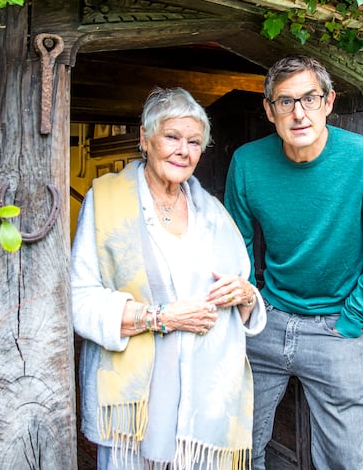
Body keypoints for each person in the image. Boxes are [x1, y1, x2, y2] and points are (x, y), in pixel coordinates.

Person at [71, 86, 266, 470]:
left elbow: (244, 291)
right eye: (172, 137)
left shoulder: (212, 211)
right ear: (145, 138)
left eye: (194, 141)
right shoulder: (106, 200)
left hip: (203, 401)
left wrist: (245, 296)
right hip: (136, 403)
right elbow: (80, 298)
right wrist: (161, 318)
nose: (184, 150)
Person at [224, 55, 363, 469]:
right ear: (269, 110)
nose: (298, 113)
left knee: (342, 460)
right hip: (266, 323)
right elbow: (236, 243)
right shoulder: (247, 163)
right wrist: (251, 301)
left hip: (335, 330)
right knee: (238, 447)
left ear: (329, 101)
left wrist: (352, 320)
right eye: (285, 102)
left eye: (310, 98)